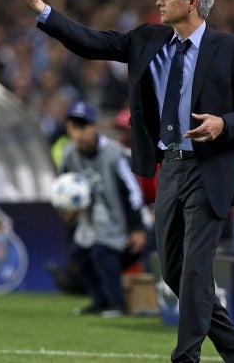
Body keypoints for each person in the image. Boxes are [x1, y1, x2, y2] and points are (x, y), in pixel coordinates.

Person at [16, 0, 234, 363]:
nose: (159, 1)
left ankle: (185, 357)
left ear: (192, 2)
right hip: (170, 167)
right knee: (172, 271)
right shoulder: (147, 39)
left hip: (210, 168)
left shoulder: (231, 49)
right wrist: (41, 8)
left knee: (195, 269)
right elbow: (91, 43)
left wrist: (224, 123)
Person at [58, 100, 147, 318]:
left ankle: (116, 303)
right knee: (79, 254)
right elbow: (64, 186)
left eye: (83, 126)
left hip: (120, 222)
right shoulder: (68, 154)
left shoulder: (115, 154)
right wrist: (67, 210)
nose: (79, 133)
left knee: (103, 252)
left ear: (94, 126)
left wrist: (137, 227)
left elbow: (133, 192)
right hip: (90, 222)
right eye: (74, 127)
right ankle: (100, 302)